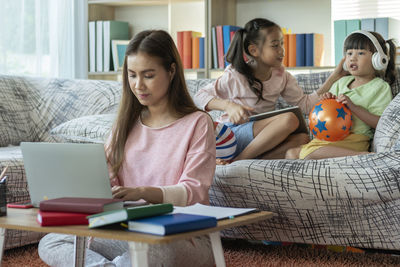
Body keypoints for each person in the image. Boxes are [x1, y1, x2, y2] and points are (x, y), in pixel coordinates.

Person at [38, 30, 216, 267]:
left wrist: (142, 192)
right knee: (52, 242)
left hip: (179, 235)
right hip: (126, 230)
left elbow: (192, 192)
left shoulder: (197, 122)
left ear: (171, 71)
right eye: (132, 75)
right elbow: (108, 183)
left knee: (158, 252)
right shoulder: (125, 124)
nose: (138, 85)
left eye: (148, 75)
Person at [194, 18, 345, 162]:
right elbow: (199, 96)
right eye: (275, 45)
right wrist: (229, 106)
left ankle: (249, 159)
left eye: (282, 43)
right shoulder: (235, 75)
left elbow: (305, 104)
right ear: (254, 50)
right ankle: (240, 160)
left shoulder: (282, 76)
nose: (282, 50)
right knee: (289, 119)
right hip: (233, 134)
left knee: (302, 138)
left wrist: (335, 77)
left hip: (259, 140)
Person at [286, 30, 396, 160]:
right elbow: (326, 111)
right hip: (329, 137)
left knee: (308, 154)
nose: (352, 58)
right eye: (349, 53)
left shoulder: (380, 87)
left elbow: (382, 123)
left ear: (377, 59)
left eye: (360, 53)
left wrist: (353, 107)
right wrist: (326, 100)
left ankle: (362, 156)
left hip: (354, 139)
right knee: (290, 154)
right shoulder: (341, 82)